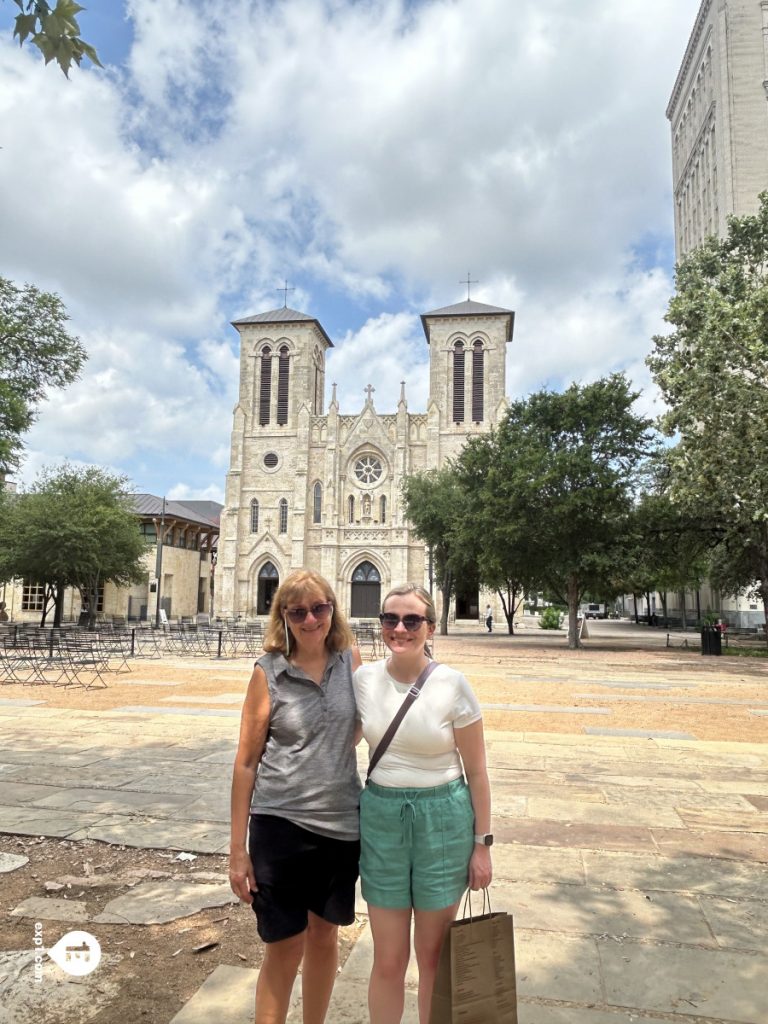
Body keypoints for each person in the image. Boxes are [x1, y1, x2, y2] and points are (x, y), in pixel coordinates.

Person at [353, 584, 492, 1024]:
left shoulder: (452, 684)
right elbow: (335, 740)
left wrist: (482, 843)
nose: (400, 629)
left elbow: (478, 772)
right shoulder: (364, 680)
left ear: (430, 628)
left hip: (443, 823)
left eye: (412, 621)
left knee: (432, 958)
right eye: (390, 619)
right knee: (388, 959)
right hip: (382, 822)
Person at [229, 570, 362, 1024]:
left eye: (319, 608)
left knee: (325, 936)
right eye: (298, 611)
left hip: (342, 824)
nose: (310, 619)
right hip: (280, 826)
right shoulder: (268, 672)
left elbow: (369, 723)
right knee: (285, 945)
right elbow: (246, 763)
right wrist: (236, 851)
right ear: (283, 616)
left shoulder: (350, 661)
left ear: (333, 610)